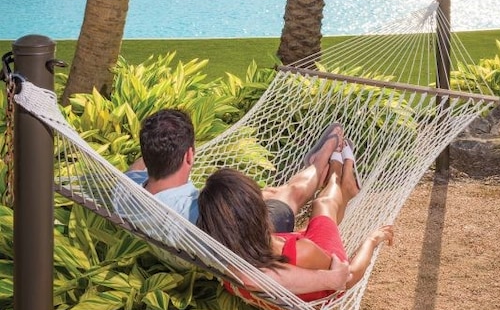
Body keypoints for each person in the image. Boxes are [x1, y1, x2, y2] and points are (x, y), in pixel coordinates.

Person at [125, 108, 350, 296]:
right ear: (189, 156)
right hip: (240, 229)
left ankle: (311, 171)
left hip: (210, 219)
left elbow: (137, 168)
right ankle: (317, 165)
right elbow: (251, 275)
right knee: (288, 194)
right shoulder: (199, 224)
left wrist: (157, 146)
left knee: (267, 194)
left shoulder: (125, 192)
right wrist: (330, 279)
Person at [197, 146, 393, 302]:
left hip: (279, 248)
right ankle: (339, 178)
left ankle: (338, 178)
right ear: (260, 211)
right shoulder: (303, 251)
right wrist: (372, 240)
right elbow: (347, 278)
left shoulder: (225, 258)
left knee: (315, 221)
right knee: (323, 205)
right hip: (320, 270)